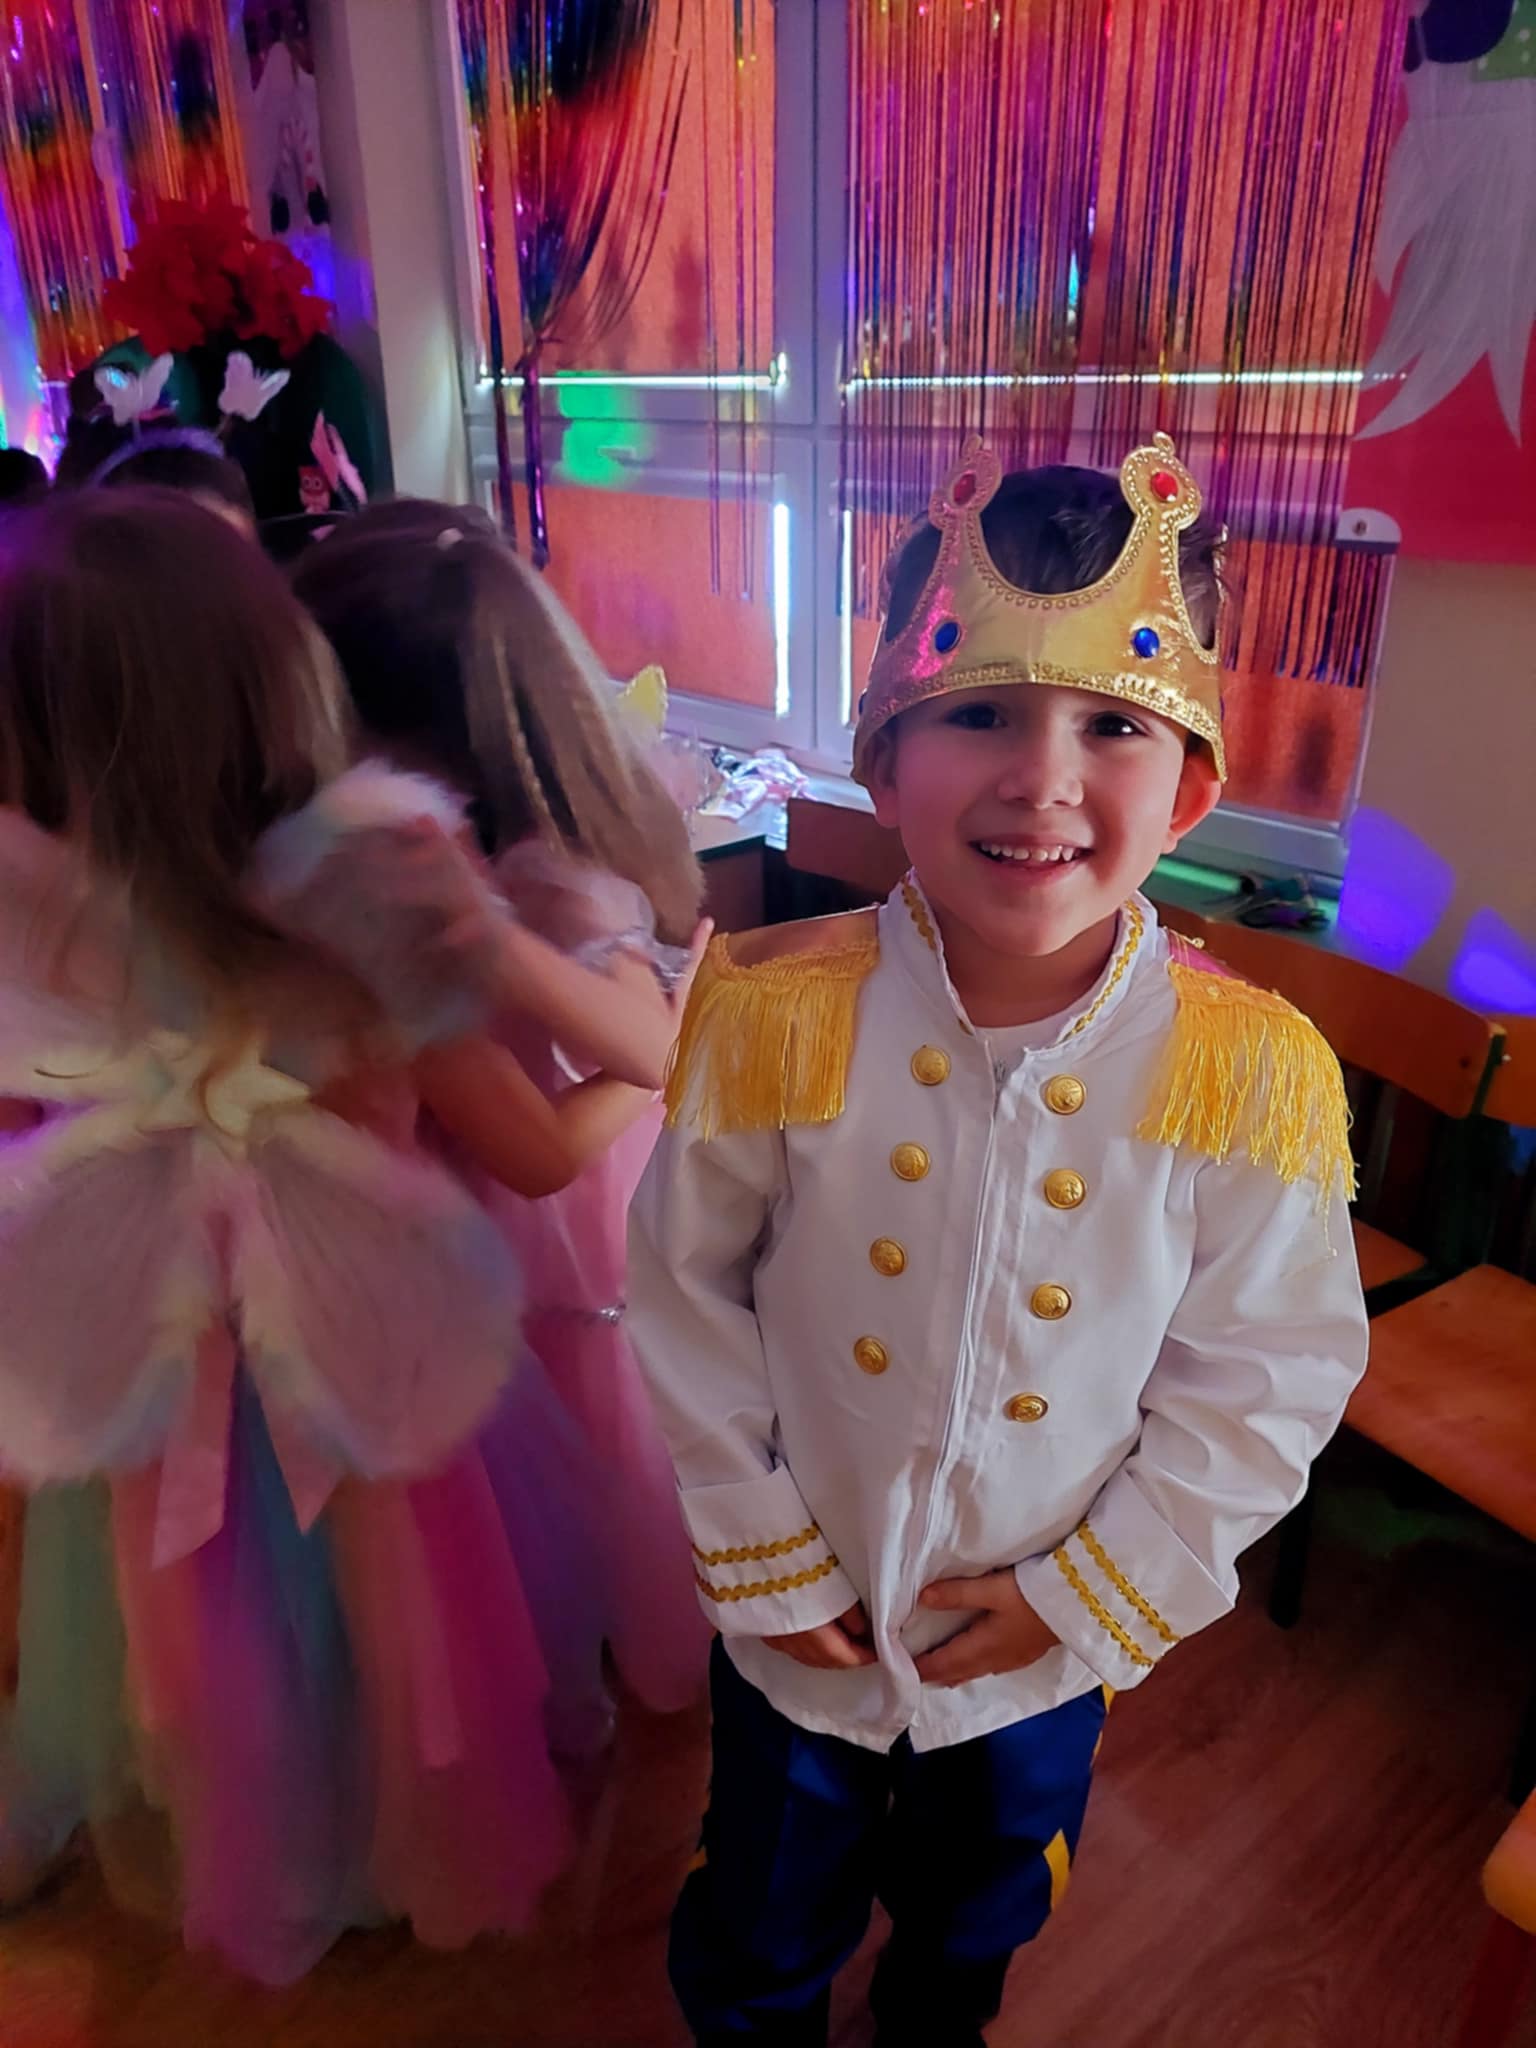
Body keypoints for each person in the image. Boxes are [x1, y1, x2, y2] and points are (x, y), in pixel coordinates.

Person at [629, 434, 1371, 2048]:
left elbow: (1270, 1377)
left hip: (1031, 1655)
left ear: (1191, 787)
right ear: (884, 759)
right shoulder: (773, 1010)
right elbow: (683, 1291)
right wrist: (757, 1537)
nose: (1043, 779)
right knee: (757, 1925)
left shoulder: (1245, 1074)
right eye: (980, 714)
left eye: (1113, 724)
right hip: (800, 1627)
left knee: (972, 1930)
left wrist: (1093, 1593)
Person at [0, 488, 687, 1981]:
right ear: (280, 680)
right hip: (357, 1356)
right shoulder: (357, 905)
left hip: (162, 1367)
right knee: (393, 1623)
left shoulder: (34, 931)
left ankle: (253, 1832)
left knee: (191, 1622)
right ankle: (387, 1841)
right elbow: (523, 1145)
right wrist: (636, 1086)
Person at [295, 500, 712, 1748]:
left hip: (560, 1226)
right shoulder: (532, 848)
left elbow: (607, 1078)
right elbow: (649, 1053)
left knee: (595, 1444)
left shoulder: (527, 875)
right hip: (567, 1196)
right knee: (590, 1436)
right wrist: (684, 1035)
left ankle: (605, 1649)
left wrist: (660, 1035)